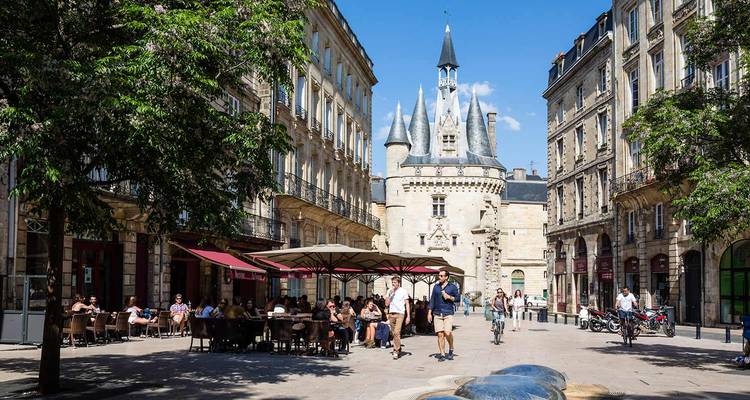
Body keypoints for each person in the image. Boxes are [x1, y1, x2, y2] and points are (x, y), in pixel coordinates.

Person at [427, 270, 459, 362]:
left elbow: (457, 299)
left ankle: (451, 347)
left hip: (448, 312)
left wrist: (449, 297)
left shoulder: (452, 287)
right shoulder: (436, 287)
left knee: (447, 333)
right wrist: (429, 312)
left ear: (446, 277)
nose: (439, 277)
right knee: (440, 335)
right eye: (439, 275)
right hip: (437, 313)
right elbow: (432, 300)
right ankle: (442, 354)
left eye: (441, 276)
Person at [385, 276, 410, 360]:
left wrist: (408, 316)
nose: (393, 284)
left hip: (400, 314)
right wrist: (389, 295)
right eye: (392, 282)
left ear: (398, 283)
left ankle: (396, 350)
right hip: (391, 313)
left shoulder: (403, 291)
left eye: (395, 282)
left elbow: (407, 304)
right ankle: (398, 347)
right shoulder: (389, 291)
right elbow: (386, 304)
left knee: (396, 332)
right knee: (393, 333)